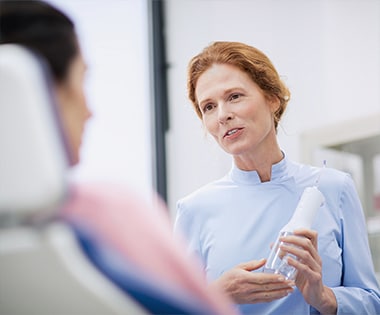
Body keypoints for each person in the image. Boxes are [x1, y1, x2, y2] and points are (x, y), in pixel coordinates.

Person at [0, 2, 237, 314]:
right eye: (81, 80)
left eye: (234, 97)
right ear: (30, 89)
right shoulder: (111, 211)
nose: (89, 111)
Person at [174, 41, 380, 314]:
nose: (223, 115)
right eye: (209, 107)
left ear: (273, 98)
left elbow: (371, 302)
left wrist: (325, 297)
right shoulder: (194, 210)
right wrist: (217, 294)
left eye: (234, 96)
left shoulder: (333, 188)